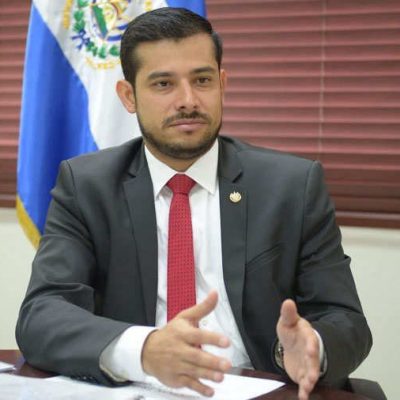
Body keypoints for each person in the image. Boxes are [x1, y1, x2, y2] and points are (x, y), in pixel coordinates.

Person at [16, 7, 372, 400]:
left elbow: (346, 320)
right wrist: (144, 350)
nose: (187, 100)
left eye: (202, 80)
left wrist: (311, 347)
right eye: (163, 84)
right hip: (137, 388)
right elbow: (42, 316)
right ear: (129, 96)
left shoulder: (291, 186)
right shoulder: (88, 186)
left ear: (222, 84)